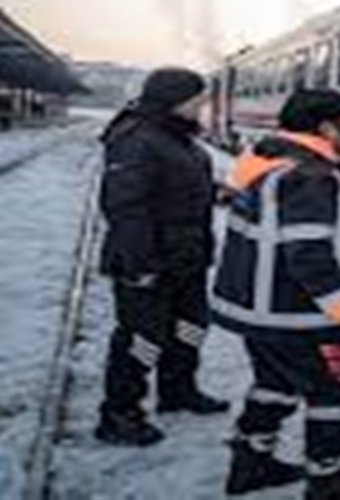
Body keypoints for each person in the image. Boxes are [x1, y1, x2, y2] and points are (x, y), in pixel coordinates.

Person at [212, 89, 340, 499]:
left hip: (260, 310)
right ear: (327, 127)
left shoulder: (270, 158)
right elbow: (311, 257)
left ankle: (250, 466)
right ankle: (329, 490)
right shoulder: (312, 176)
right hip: (298, 315)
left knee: (275, 383)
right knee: (336, 396)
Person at [96, 67, 229, 447]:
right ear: (173, 99)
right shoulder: (136, 138)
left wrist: (222, 193)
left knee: (190, 327)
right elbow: (124, 207)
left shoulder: (179, 138)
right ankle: (120, 414)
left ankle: (178, 391)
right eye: (196, 100)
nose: (202, 107)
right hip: (148, 262)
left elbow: (184, 185)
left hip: (186, 258)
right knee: (143, 338)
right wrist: (140, 265)